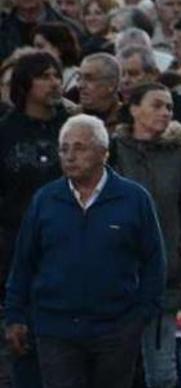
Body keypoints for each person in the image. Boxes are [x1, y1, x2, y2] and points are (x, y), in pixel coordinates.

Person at [4, 115, 164, 388]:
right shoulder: (45, 199)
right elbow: (23, 263)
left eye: (79, 148)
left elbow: (154, 262)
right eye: (64, 148)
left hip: (116, 328)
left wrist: (141, 316)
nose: (69, 156)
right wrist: (15, 316)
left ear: (103, 153)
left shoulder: (134, 198)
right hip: (56, 328)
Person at [107, 82, 181, 388]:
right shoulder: (112, 150)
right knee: (115, 370)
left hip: (165, 277)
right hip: (116, 277)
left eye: (169, 107)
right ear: (134, 108)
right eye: (157, 105)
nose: (165, 112)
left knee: (162, 374)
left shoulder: (179, 154)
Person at [0, 51, 70, 385]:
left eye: (57, 75)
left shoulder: (72, 129)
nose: (54, 82)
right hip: (14, 251)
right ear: (25, 84)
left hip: (69, 248)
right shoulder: (6, 132)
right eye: (44, 76)